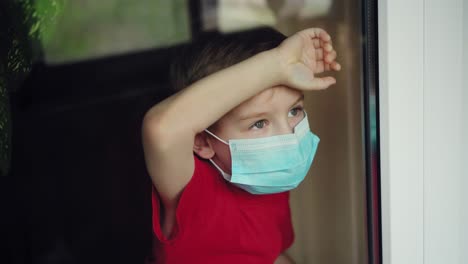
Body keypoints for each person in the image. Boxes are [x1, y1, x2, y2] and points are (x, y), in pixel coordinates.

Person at [142, 27, 341, 264]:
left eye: (294, 111)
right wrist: (275, 66)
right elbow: (162, 128)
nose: (288, 134)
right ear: (202, 141)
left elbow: (270, 255)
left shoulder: (271, 182)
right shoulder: (192, 188)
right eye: (259, 123)